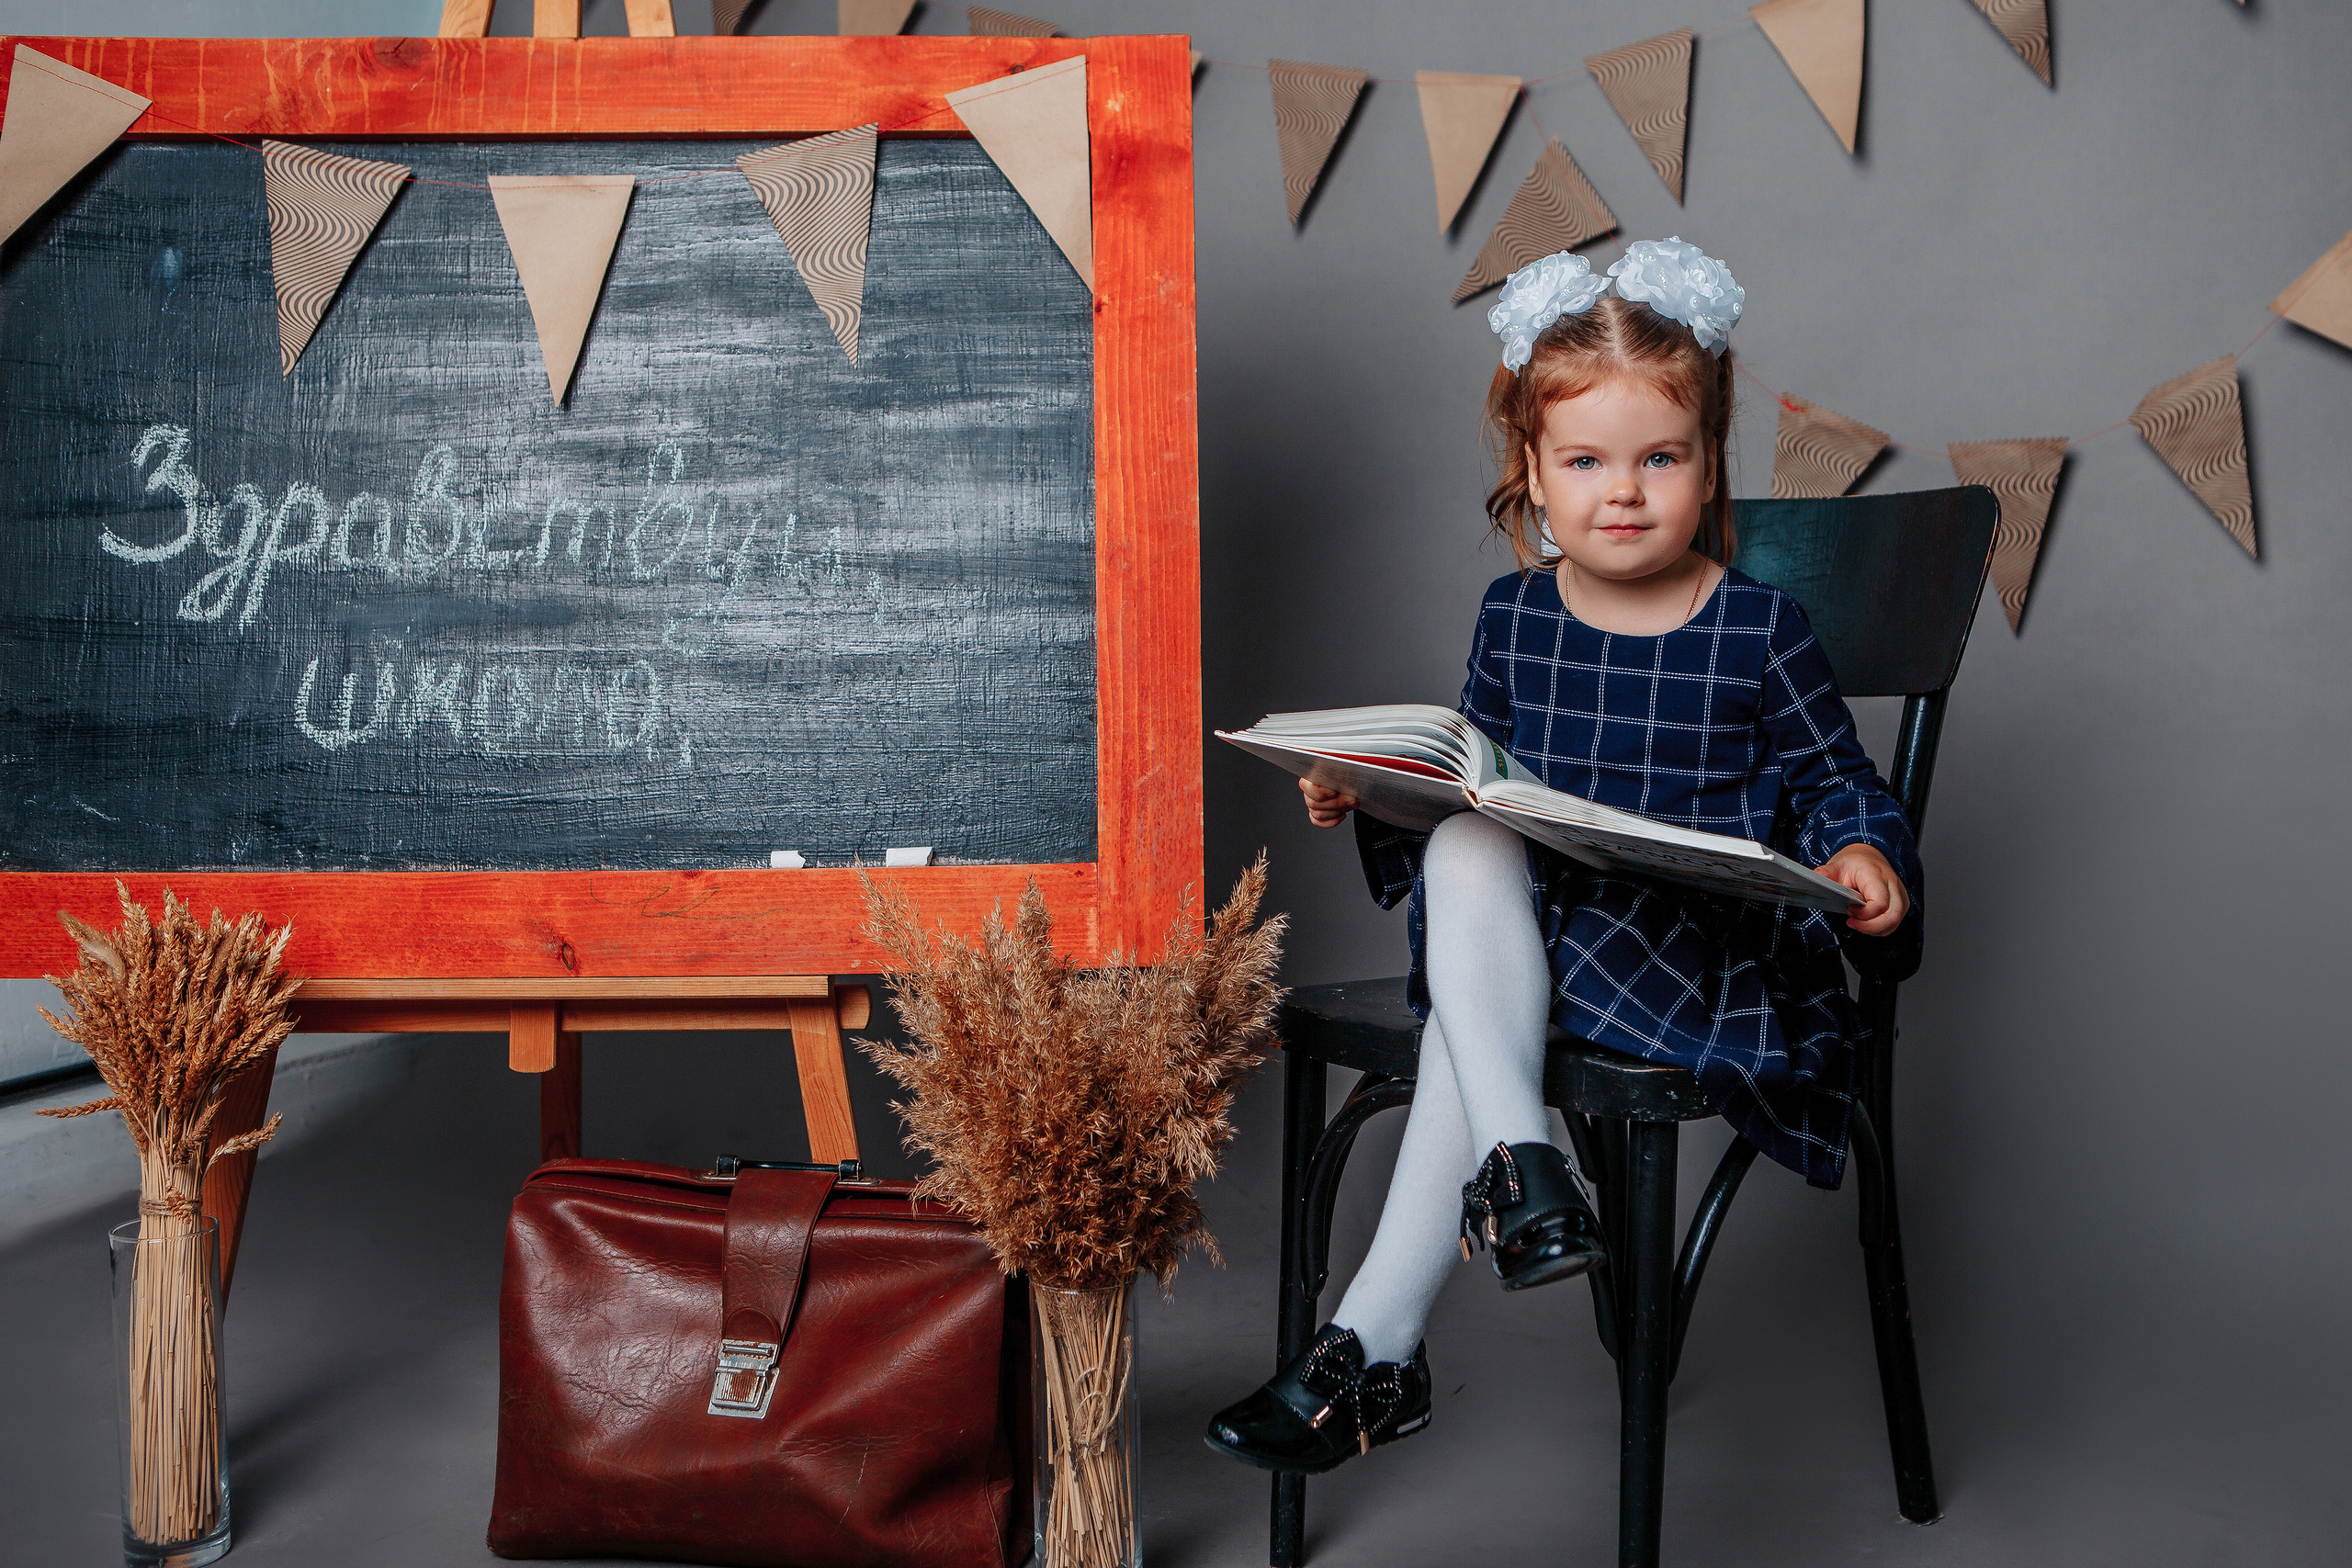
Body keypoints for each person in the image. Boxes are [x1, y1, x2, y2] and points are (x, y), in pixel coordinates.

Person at [1204, 241, 1920, 1475]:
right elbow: (1474, 783)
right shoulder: (1516, 618)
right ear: (1532, 474)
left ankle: (1382, 1334)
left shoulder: (1760, 628)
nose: (1624, 493)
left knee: (1471, 1015)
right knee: (1477, 838)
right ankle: (1515, 1185)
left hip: (1696, 956)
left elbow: (1833, 779)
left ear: (1708, 466)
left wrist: (1864, 847)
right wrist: (1367, 793)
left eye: (1660, 459)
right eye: (1585, 462)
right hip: (1537, 938)